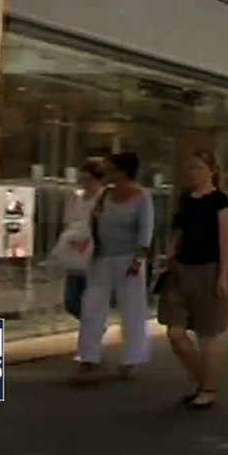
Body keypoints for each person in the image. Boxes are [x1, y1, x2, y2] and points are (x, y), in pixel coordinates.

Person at [157, 150, 228, 409]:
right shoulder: (185, 199)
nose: (193, 173)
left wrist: (223, 275)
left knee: (206, 333)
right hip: (182, 269)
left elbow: (226, 241)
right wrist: (171, 250)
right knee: (175, 331)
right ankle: (198, 376)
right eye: (191, 168)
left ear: (211, 170)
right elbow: (179, 230)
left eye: (199, 168)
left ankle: (209, 388)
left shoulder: (220, 201)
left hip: (208, 269)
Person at [71, 152, 154, 384]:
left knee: (132, 310)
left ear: (123, 171)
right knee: (91, 307)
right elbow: (94, 224)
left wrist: (138, 260)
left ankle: (132, 358)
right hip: (102, 257)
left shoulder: (141, 198)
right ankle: (88, 357)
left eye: (110, 169)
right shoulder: (105, 195)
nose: (105, 174)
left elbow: (145, 233)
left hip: (129, 259)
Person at [57, 159, 106, 324]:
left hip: (95, 253)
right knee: (71, 301)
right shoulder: (75, 198)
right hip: (74, 250)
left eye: (89, 179)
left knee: (90, 297)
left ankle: (92, 329)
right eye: (83, 179)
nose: (86, 183)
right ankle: (92, 324)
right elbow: (68, 221)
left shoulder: (104, 199)